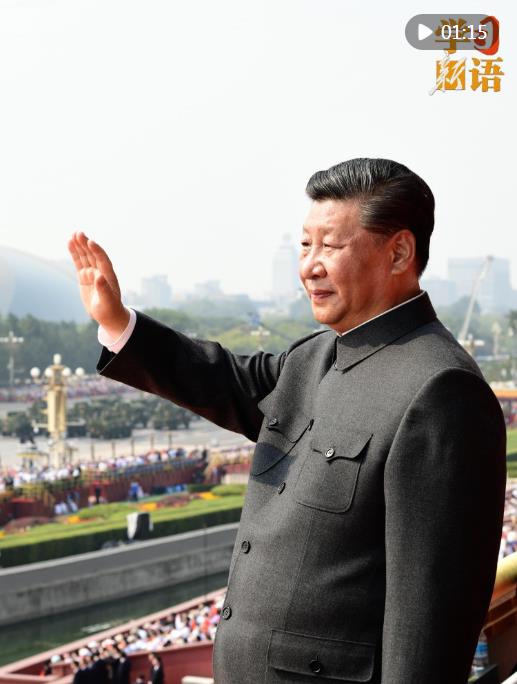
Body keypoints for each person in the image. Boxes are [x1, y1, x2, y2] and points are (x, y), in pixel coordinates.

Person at [68, 157, 507, 683]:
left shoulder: (440, 389)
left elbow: (427, 628)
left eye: (330, 246)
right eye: (304, 245)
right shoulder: (313, 358)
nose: (310, 266)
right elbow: (223, 381)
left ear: (398, 253)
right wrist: (118, 323)